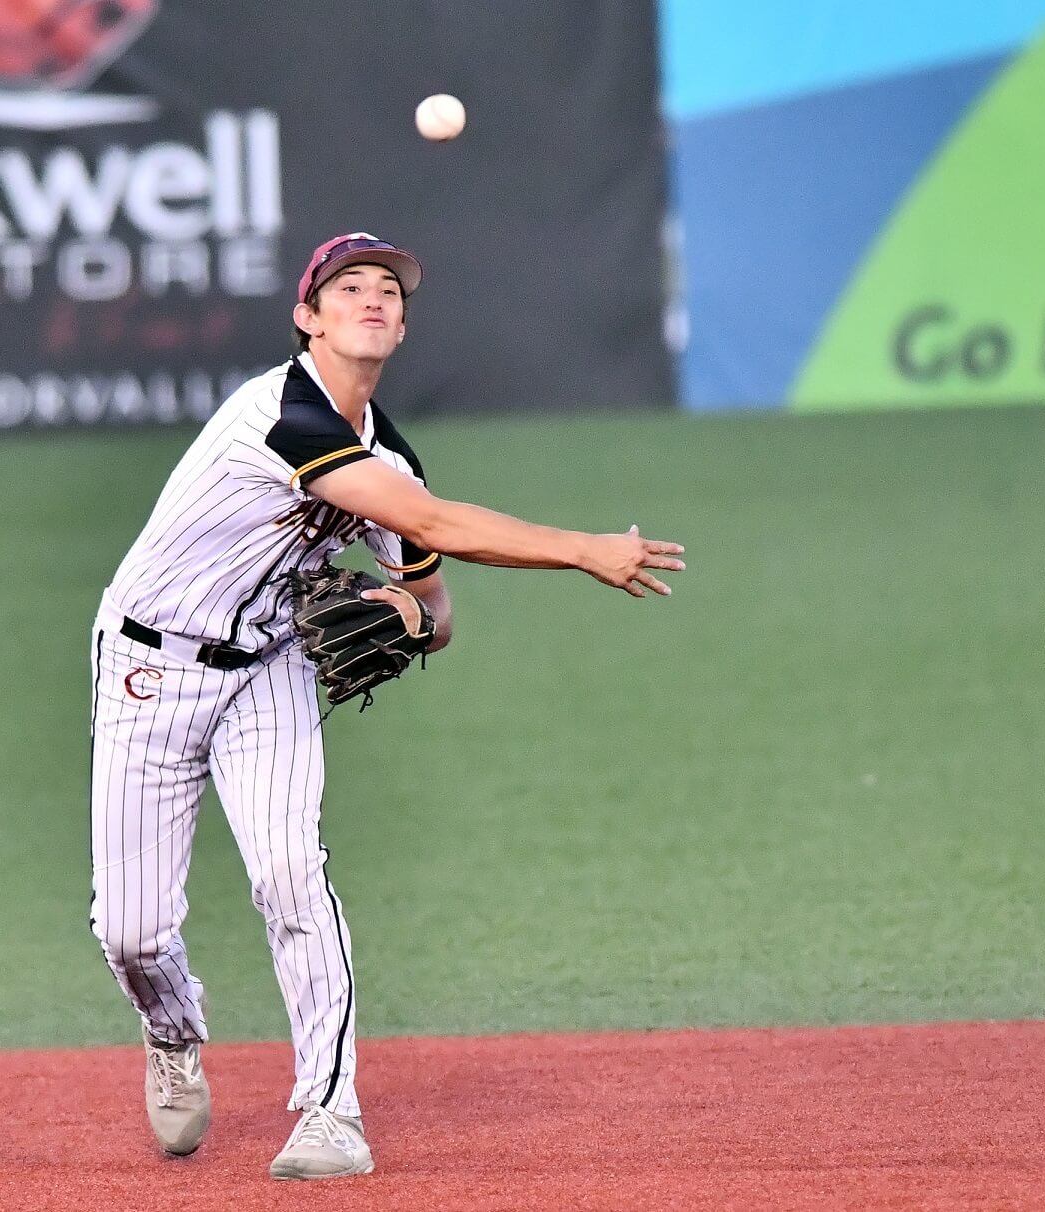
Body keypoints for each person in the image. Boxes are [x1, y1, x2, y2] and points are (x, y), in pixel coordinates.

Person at [87, 232, 685, 1180]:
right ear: (307, 317)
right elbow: (436, 523)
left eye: (388, 292)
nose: (371, 300)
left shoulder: (385, 456)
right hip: (147, 670)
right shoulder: (280, 417)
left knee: (291, 874)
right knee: (132, 932)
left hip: (267, 674)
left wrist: (408, 607)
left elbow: (434, 613)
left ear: (401, 328)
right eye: (348, 287)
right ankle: (172, 1031)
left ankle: (331, 1113)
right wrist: (580, 548)